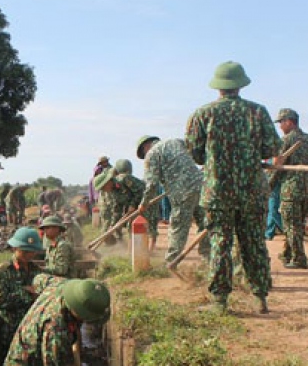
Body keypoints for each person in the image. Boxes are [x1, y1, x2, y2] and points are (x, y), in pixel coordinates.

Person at [185, 61, 281, 314]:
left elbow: (194, 154)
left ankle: (219, 301)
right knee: (254, 244)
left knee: (220, 243)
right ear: (240, 85)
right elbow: (273, 149)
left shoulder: (203, 114)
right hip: (252, 191)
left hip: (217, 192)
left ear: (218, 87)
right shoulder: (258, 112)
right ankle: (260, 297)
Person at [136, 136, 210, 265]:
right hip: (202, 186)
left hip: (182, 193)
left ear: (145, 147)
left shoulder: (151, 155)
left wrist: (144, 203)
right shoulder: (176, 141)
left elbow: (151, 184)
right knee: (204, 223)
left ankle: (171, 262)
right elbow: (195, 156)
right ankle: (207, 259)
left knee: (178, 227)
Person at [272, 108, 308, 269]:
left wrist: (267, 186)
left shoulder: (285, 141)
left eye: (281, 122)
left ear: (289, 121)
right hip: (307, 191)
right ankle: (287, 254)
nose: (280, 126)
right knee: (296, 224)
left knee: (291, 225)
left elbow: (277, 167)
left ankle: (299, 259)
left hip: (291, 190)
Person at [0, 227, 43, 353]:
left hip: (32, 328)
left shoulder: (36, 270)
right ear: (15, 248)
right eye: (25, 251)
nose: (29, 255)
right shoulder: (4, 271)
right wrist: (26, 293)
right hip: (11, 330)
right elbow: (1, 302)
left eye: (32, 252)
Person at [114, 158, 158, 250]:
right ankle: (133, 249)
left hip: (148, 201)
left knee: (149, 225)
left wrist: (132, 205)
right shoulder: (121, 180)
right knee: (134, 225)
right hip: (140, 202)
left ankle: (149, 250)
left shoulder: (124, 178)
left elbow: (140, 191)